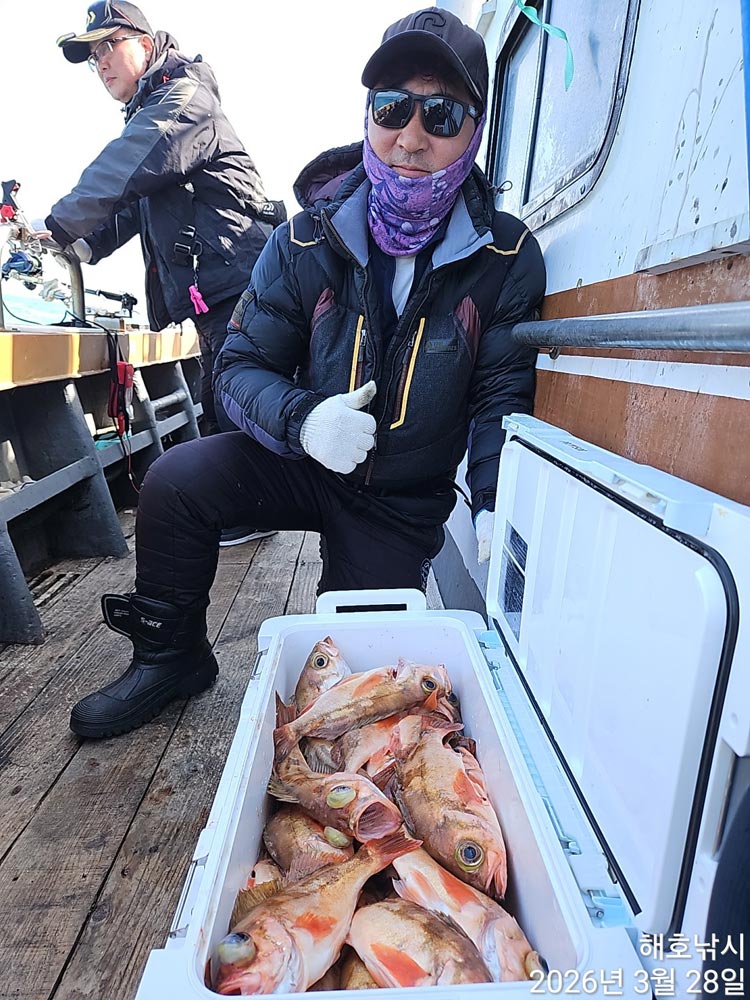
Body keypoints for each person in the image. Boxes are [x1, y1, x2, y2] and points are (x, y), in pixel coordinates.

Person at [69, 6, 545, 740]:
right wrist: (305, 421)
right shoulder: (302, 238)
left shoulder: (508, 255)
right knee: (173, 481)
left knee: (356, 697)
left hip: (400, 502)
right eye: (392, 108)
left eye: (442, 115)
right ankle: (171, 658)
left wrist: (491, 499)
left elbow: (500, 393)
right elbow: (238, 365)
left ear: (474, 129)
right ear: (369, 114)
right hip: (304, 462)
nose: (411, 136)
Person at [41, 0, 281, 545]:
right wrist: (80, 244)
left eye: (109, 46)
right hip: (214, 290)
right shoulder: (155, 113)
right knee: (222, 396)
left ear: (146, 45)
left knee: (234, 396)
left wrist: (57, 221)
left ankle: (254, 511)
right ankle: (245, 509)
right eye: (93, 56)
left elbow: (126, 164)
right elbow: (132, 205)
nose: (100, 63)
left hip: (239, 281)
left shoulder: (183, 99)